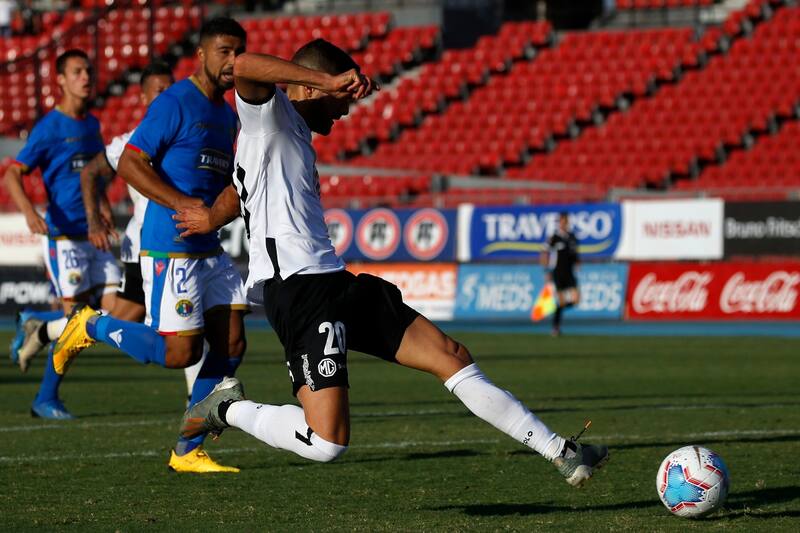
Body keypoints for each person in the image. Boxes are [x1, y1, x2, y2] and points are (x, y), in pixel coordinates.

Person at [174, 39, 609, 486]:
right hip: (300, 290)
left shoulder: (287, 137)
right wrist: (328, 80)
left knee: (451, 356)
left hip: (333, 281)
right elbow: (244, 64)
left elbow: (240, 189)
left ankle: (561, 452)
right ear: (308, 89)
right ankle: (227, 407)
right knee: (327, 442)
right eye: (339, 98)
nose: (344, 110)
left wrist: (210, 217)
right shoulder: (270, 115)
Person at [53, 18, 249, 473]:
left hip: (208, 244)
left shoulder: (226, 113)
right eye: (224, 51)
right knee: (181, 353)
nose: (233, 61)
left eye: (239, 52)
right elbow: (129, 162)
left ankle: (187, 448)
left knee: (232, 342)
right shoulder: (175, 102)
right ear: (201, 54)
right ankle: (90, 325)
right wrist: (182, 202)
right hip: (170, 244)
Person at [78, 60, 206, 403]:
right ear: (144, 97)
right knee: (177, 328)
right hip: (150, 246)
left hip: (186, 240)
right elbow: (90, 173)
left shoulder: (186, 134)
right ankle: (65, 328)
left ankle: (55, 329)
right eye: (159, 91)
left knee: (188, 324)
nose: (167, 96)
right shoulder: (130, 142)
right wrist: (96, 215)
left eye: (171, 89)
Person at [3, 49, 121, 419]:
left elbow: (95, 176)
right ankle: (45, 398)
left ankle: (37, 323)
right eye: (77, 72)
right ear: (60, 80)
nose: (86, 77)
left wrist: (103, 207)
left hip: (94, 234)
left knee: (113, 312)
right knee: (78, 323)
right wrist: (29, 212)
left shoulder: (92, 125)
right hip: (64, 238)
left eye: (88, 71)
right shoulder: (49, 128)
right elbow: (12, 174)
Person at [542, 212, 580, 337]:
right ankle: (555, 327)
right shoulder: (554, 237)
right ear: (559, 223)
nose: (563, 224)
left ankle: (557, 309)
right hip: (558, 273)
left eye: (565, 221)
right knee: (562, 301)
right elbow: (544, 252)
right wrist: (546, 270)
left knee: (576, 300)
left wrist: (577, 263)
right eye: (562, 221)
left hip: (569, 273)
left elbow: (575, 253)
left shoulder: (572, 237)